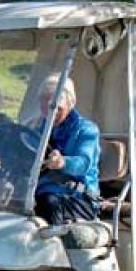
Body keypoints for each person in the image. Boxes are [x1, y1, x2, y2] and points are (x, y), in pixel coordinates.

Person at [33, 74, 101, 224]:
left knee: (48, 203)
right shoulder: (37, 128)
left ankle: (52, 245)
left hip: (79, 197)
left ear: (70, 104)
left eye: (57, 105)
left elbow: (83, 163)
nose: (52, 110)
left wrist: (63, 162)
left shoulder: (86, 130)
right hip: (39, 191)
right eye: (45, 103)